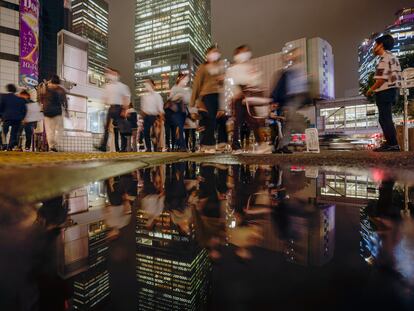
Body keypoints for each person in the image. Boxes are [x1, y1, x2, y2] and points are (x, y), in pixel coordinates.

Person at [226, 45, 270, 154]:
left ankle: (260, 144)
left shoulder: (250, 66)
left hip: (249, 96)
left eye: (247, 51)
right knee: (239, 121)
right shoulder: (233, 69)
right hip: (239, 97)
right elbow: (231, 83)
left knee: (253, 120)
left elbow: (256, 80)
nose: (246, 53)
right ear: (237, 54)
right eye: (243, 51)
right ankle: (236, 146)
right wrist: (238, 92)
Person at [366, 34, 402, 152]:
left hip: (385, 92)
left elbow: (381, 80)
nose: (373, 48)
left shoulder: (385, 59)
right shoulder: (392, 57)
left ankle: (392, 144)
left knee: (385, 119)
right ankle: (391, 143)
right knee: (386, 118)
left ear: (380, 45)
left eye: (375, 45)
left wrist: (370, 90)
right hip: (393, 91)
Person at [272, 47, 309, 154]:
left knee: (290, 121)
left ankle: (282, 145)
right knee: (292, 121)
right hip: (290, 98)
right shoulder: (291, 68)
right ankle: (307, 138)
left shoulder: (299, 67)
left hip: (297, 97)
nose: (295, 55)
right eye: (294, 53)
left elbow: (302, 84)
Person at [191, 46, 226, 153]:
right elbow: (196, 85)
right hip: (207, 96)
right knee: (210, 120)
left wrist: (223, 105)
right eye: (213, 52)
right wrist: (192, 103)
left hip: (218, 96)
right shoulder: (203, 67)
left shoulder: (220, 67)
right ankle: (207, 145)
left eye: (217, 52)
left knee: (222, 120)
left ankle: (222, 144)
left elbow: (223, 86)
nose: (215, 54)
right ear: (207, 54)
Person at [97, 68, 131, 152]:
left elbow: (126, 98)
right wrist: (104, 104)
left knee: (121, 129)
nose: (112, 75)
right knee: (106, 128)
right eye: (111, 73)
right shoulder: (107, 86)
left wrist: (124, 110)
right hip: (111, 108)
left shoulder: (122, 86)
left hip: (119, 108)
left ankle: (124, 148)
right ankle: (103, 146)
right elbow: (105, 98)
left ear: (118, 76)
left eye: (114, 74)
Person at [42, 75, 68, 152]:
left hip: (47, 112)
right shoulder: (60, 90)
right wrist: (66, 110)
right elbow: (64, 101)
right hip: (57, 112)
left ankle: (51, 146)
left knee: (49, 130)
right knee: (60, 129)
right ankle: (56, 144)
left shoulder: (45, 88)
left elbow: (41, 98)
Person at [168, 73, 192, 152]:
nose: (186, 82)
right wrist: (178, 96)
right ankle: (182, 146)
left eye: (187, 80)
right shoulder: (174, 88)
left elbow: (189, 101)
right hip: (176, 111)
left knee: (180, 128)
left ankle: (179, 145)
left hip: (183, 112)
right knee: (179, 128)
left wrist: (183, 97)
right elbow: (170, 99)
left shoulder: (186, 91)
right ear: (180, 79)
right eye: (185, 80)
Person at [0, 84, 27, 151]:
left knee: (4, 132)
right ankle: (10, 146)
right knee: (14, 132)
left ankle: (4, 145)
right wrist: (23, 117)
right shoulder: (20, 99)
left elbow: (1, 107)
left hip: (7, 117)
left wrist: (1, 116)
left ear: (8, 89)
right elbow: (24, 109)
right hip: (17, 118)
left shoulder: (3, 97)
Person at [140, 79, 164, 152]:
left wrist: (161, 119)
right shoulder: (144, 97)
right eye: (146, 84)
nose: (148, 86)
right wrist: (142, 118)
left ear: (153, 85)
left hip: (154, 117)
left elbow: (160, 108)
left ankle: (156, 148)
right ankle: (149, 148)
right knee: (146, 133)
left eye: (149, 84)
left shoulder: (157, 96)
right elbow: (143, 109)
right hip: (146, 117)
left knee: (155, 134)